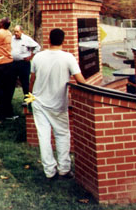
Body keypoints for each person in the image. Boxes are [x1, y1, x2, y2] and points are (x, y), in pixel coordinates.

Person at [29, 28, 86, 179]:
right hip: (58, 104)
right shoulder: (68, 58)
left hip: (38, 102)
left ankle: (49, 171)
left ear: (49, 40)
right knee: (62, 135)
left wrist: (29, 96)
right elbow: (80, 80)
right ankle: (64, 169)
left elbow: (32, 79)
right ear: (63, 41)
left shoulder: (38, 57)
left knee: (44, 136)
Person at [11, 25, 41, 101]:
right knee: (11, 82)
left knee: (25, 83)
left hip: (23, 63)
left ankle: (28, 100)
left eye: (17, 31)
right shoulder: (11, 39)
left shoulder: (26, 39)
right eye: (15, 31)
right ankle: (8, 102)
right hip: (13, 64)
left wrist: (31, 56)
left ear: (22, 31)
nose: (16, 33)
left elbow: (37, 47)